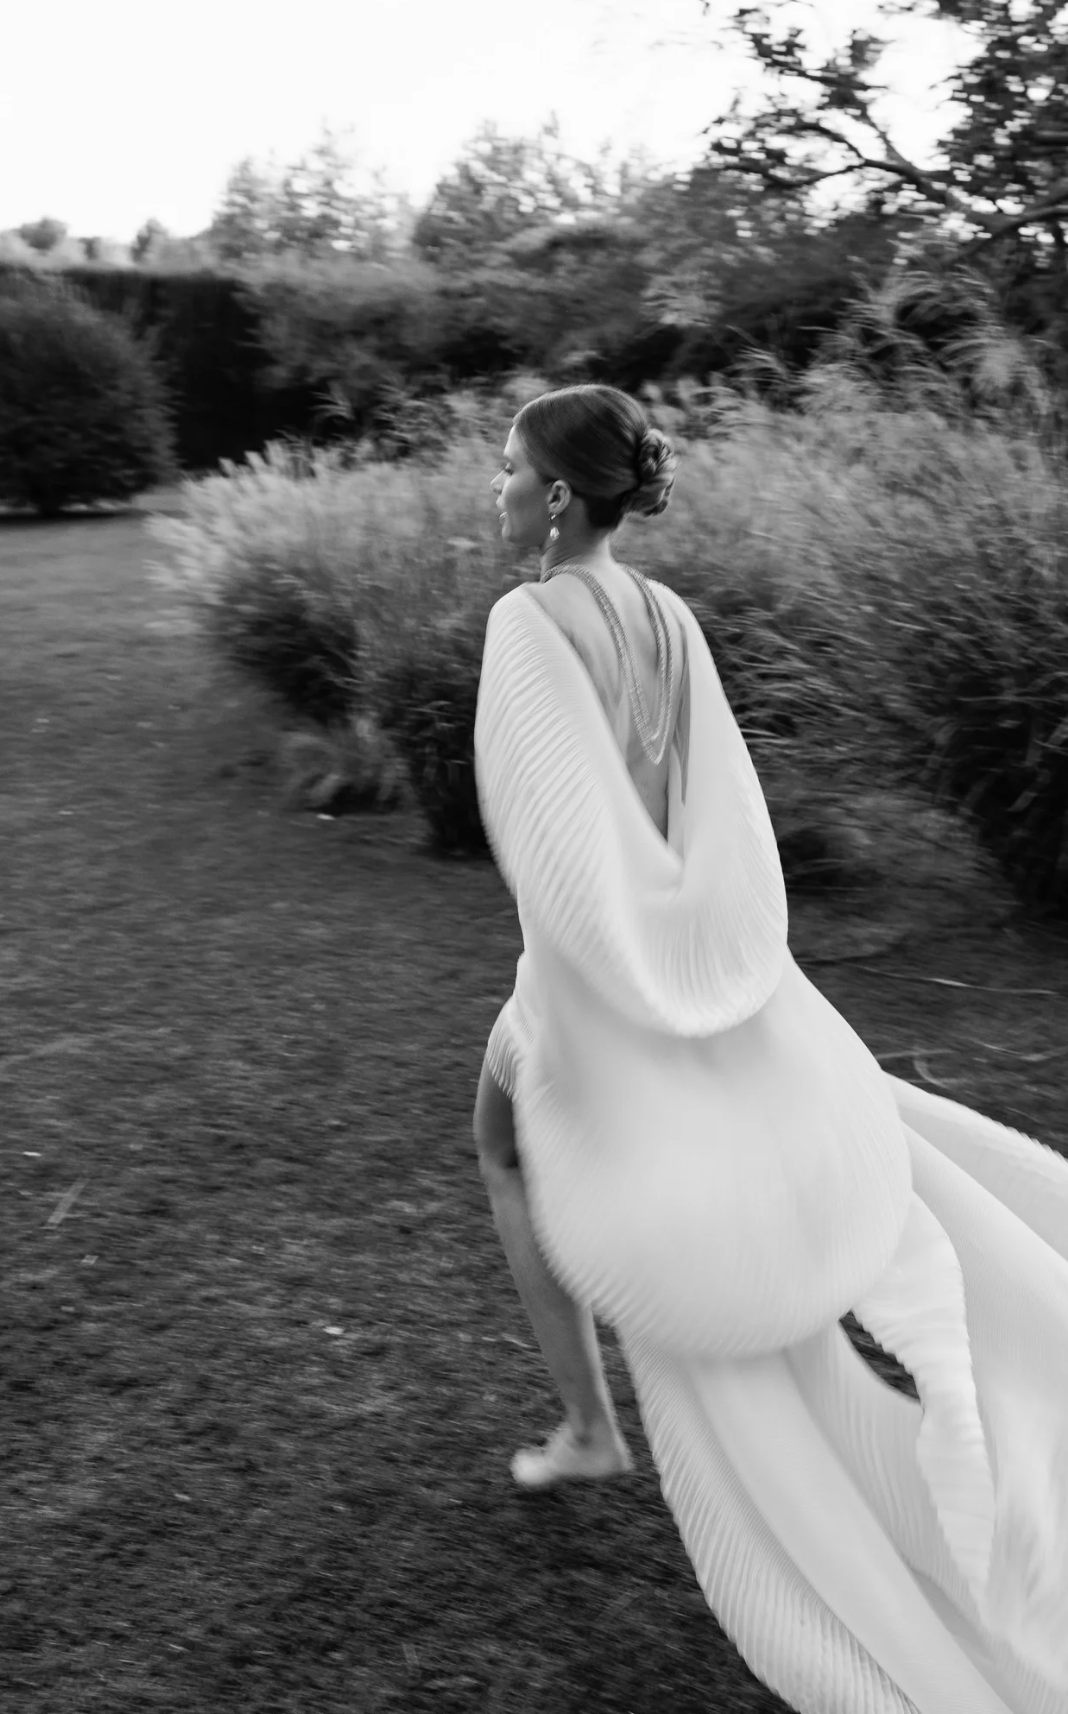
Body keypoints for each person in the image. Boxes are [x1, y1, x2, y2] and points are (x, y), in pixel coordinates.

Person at [471, 384, 1068, 1714]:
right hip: (671, 944)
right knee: (519, 1140)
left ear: (561, 495)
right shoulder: (665, 615)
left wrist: (609, 991)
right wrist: (704, 951)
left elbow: (549, 827)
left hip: (591, 966)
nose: (497, 490)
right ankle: (590, 1419)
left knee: (511, 1143)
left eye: (509, 470)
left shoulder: (531, 621)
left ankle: (587, 1427)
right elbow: (709, 803)